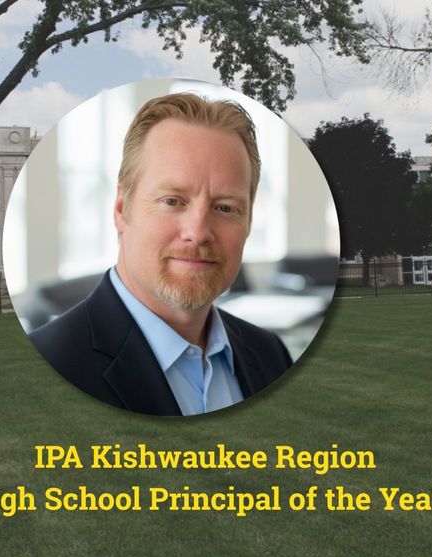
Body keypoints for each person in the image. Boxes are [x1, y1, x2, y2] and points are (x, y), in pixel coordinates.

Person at [29, 92, 292, 416]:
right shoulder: (45, 367)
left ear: (248, 222)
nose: (198, 231)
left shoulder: (271, 355)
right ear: (122, 208)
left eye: (225, 207)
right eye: (172, 201)